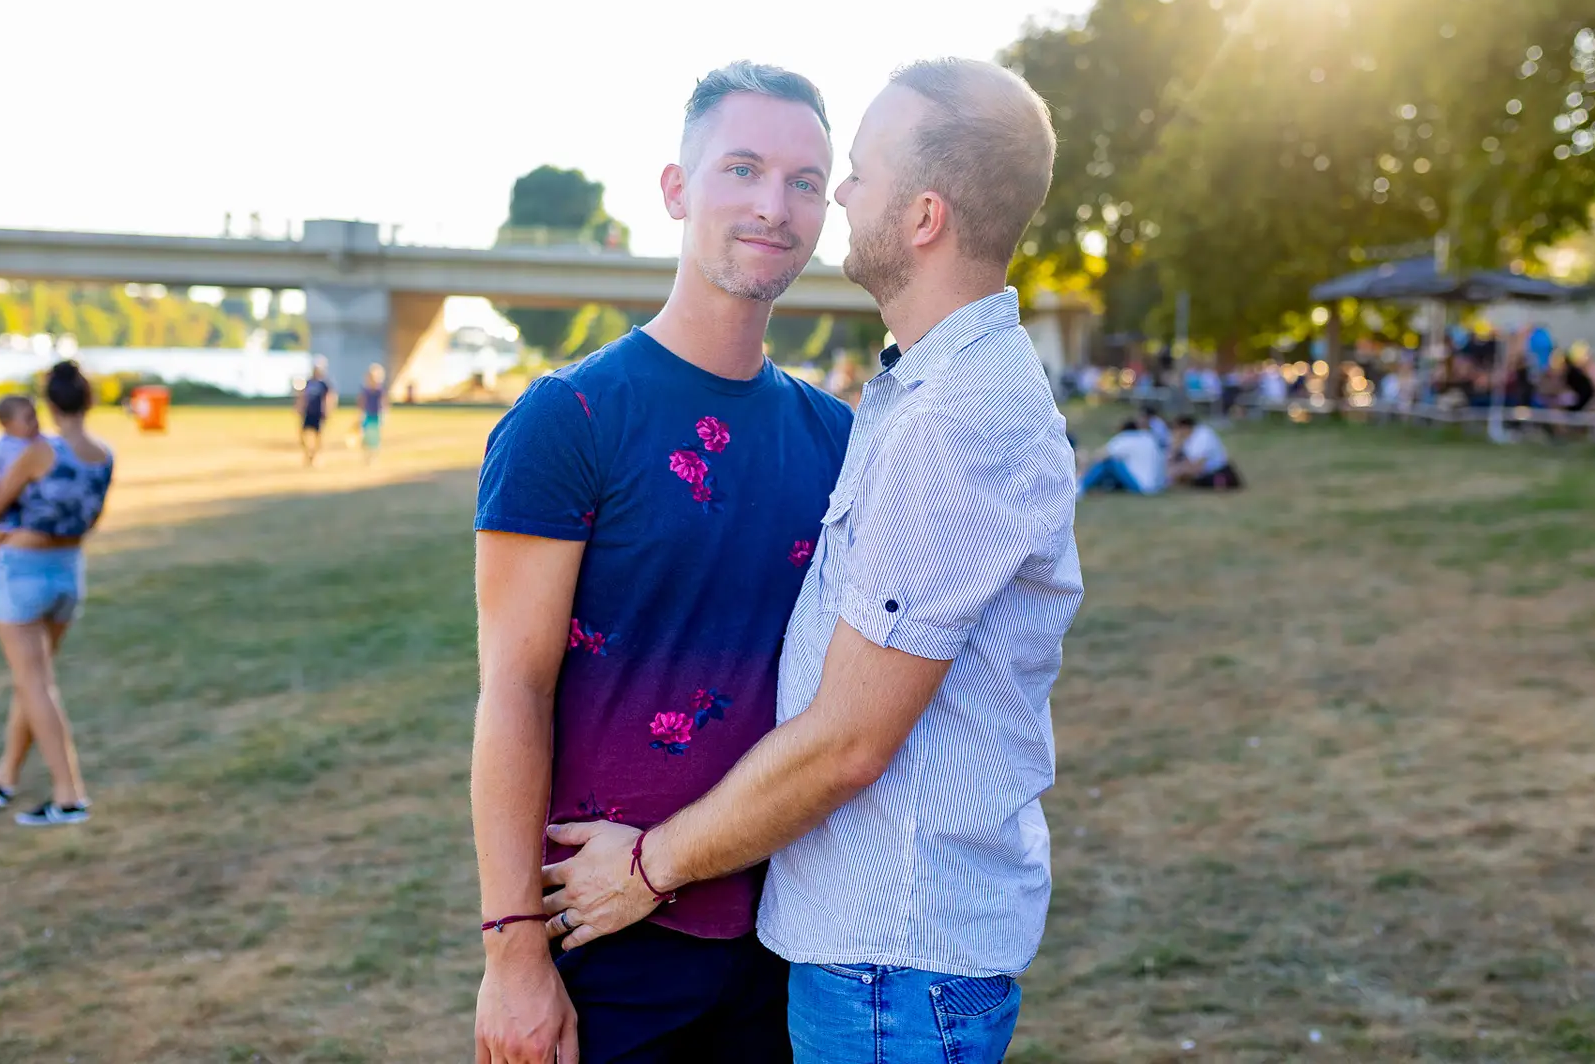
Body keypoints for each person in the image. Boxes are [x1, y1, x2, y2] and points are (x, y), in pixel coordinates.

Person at [540, 59, 1082, 1064]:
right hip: (876, 960)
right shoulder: (924, 391)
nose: (834, 195)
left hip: (892, 969)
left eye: (856, 173)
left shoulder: (953, 422)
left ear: (923, 216)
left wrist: (649, 865)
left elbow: (848, 742)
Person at [470, 62, 852, 1064]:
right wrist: (512, 954)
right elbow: (514, 690)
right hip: (607, 935)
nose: (775, 204)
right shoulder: (568, 418)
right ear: (677, 190)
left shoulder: (842, 438)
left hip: (795, 935)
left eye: (806, 181)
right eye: (743, 168)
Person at [0, 361, 113, 826]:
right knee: (34, 681)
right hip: (69, 573)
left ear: (49, 404)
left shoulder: (38, 453)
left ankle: (69, 797)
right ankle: (4, 777)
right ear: (88, 400)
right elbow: (87, 519)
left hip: (24, 573)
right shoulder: (103, 454)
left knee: (35, 683)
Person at [0, 395, 41, 564]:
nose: (35, 422)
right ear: (7, 424)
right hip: (10, 496)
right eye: (28, 418)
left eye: (35, 416)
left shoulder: (40, 443)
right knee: (7, 528)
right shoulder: (0, 446)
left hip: (33, 495)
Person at [1078, 418, 1166, 496]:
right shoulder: (1148, 437)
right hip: (1156, 485)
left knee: (1109, 463)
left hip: (1141, 485)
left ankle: (1082, 486)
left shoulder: (1125, 438)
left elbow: (1101, 455)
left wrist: (1084, 458)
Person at [1169, 414, 1242, 490]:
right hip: (1202, 471)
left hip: (1216, 471)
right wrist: (1175, 446)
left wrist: (1177, 471)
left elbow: (1198, 466)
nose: (1174, 433)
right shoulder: (1188, 438)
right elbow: (1173, 460)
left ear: (1184, 428)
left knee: (1181, 475)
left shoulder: (1203, 435)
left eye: (1175, 429)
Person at [297, 356, 334, 465]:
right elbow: (303, 395)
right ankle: (308, 452)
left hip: (319, 412)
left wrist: (328, 409)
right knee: (302, 434)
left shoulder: (324, 384)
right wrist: (299, 406)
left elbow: (329, 397)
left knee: (319, 435)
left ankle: (315, 455)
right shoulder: (308, 382)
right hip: (308, 412)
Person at [357, 363, 386, 463]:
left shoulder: (380, 391)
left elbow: (384, 403)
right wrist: (360, 414)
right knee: (365, 436)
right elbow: (361, 402)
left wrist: (384, 415)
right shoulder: (366, 391)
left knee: (375, 437)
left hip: (376, 416)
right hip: (367, 415)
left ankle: (374, 456)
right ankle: (366, 455)